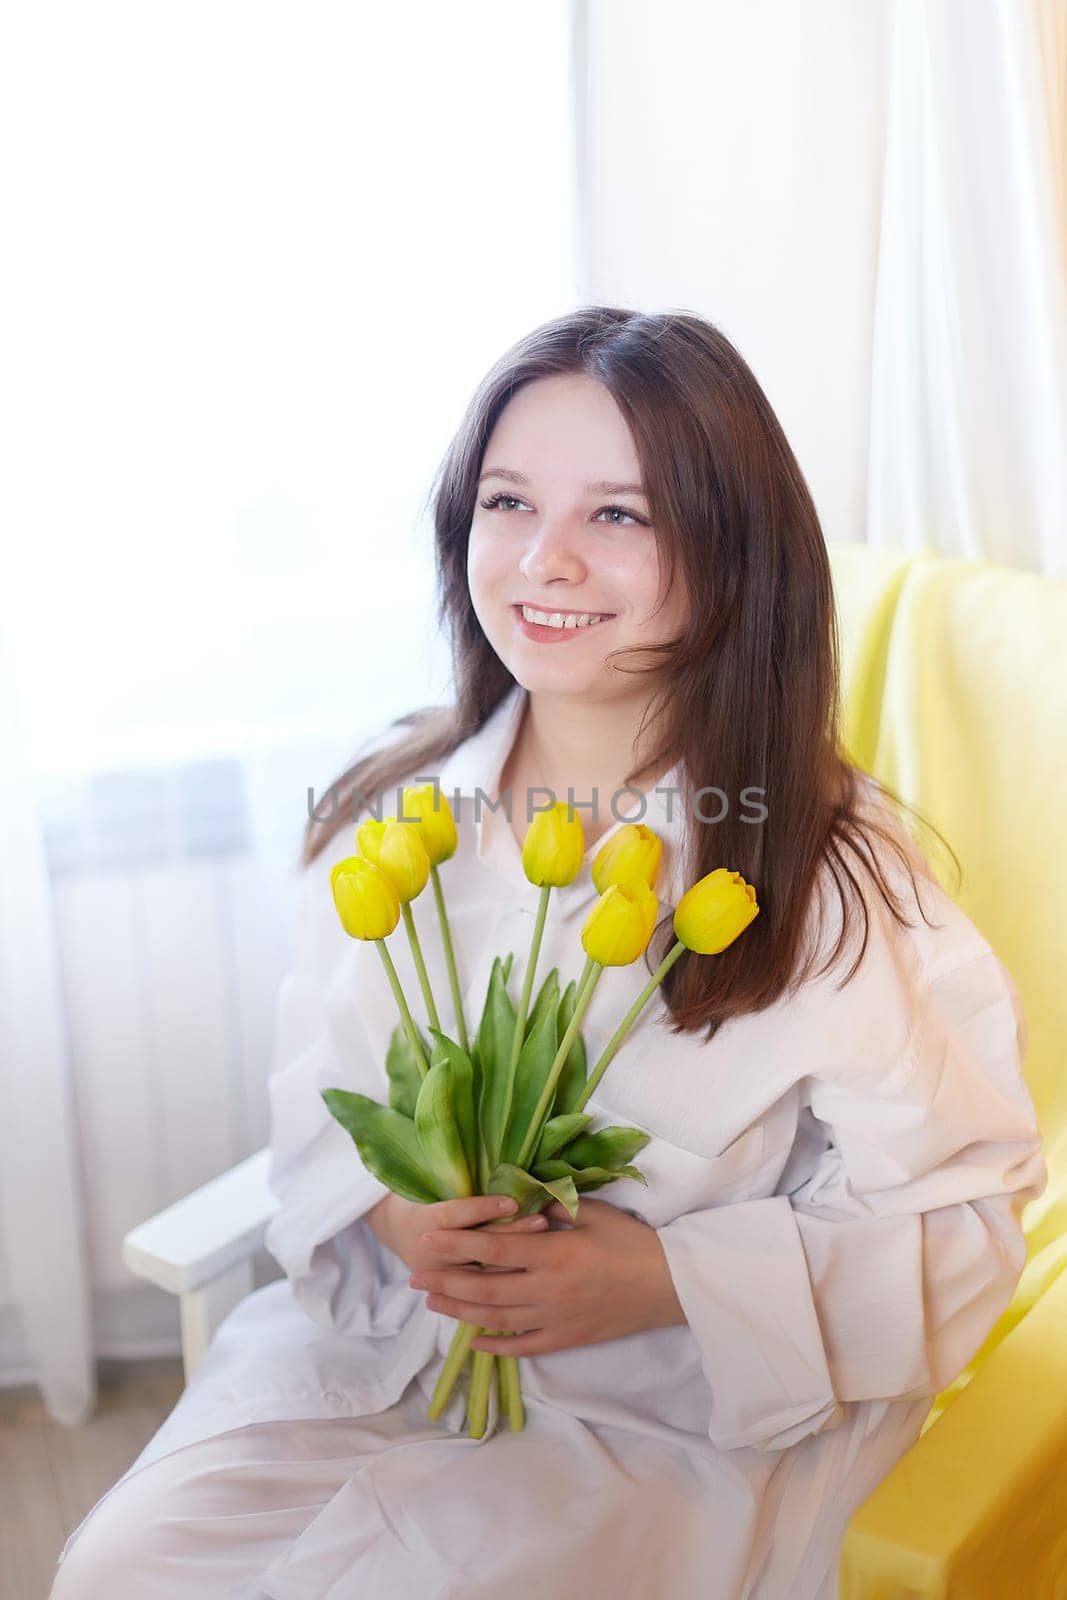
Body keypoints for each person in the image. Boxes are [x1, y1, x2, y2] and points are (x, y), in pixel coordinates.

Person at [50, 308, 1046, 1599]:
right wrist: (399, 1211)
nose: (544, 562)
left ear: (733, 553)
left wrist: (670, 1281)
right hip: (378, 1354)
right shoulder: (392, 820)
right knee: (118, 1567)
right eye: (508, 503)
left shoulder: (824, 885)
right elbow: (322, 1113)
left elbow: (964, 1226)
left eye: (618, 517)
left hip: (663, 1415)